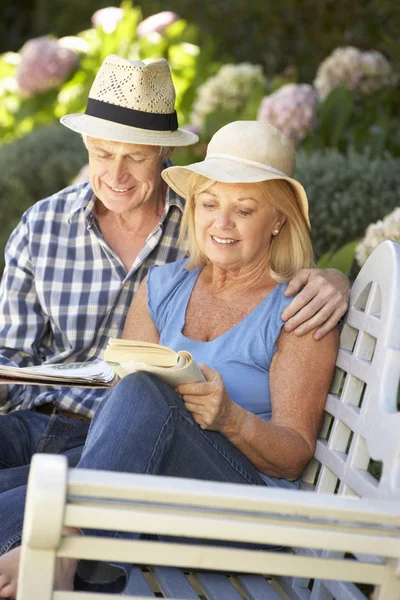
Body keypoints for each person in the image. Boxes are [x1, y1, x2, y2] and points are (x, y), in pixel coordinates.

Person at [0, 53, 347, 594]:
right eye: (209, 204)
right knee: (21, 488)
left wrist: (232, 418)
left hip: (237, 504)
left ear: (279, 219)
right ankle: (63, 549)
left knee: (144, 390)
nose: (222, 223)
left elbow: (294, 452)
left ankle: (67, 547)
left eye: (245, 209)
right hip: (141, 482)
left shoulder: (298, 307)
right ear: (196, 207)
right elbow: (116, 407)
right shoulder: (164, 284)